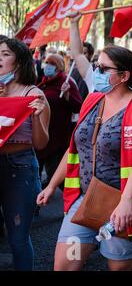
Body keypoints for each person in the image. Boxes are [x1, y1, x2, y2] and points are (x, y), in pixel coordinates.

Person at [36, 11, 132, 271]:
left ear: (124, 76)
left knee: (118, 268)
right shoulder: (93, 99)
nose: (96, 71)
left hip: (120, 204)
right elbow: (74, 152)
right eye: (97, 66)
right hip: (83, 200)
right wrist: (72, 22)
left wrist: (126, 201)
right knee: (64, 266)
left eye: (104, 69)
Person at [0, 38, 50, 270]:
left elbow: (40, 144)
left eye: (4, 54)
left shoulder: (35, 94)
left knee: (18, 239)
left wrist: (38, 116)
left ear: (19, 61)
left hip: (20, 168)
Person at [37, 53, 82, 189]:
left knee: (56, 176)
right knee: (35, 175)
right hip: (41, 134)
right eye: (46, 62)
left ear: (58, 67)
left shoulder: (66, 82)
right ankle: (34, 206)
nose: (46, 66)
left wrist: (67, 95)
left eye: (51, 63)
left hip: (57, 137)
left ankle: (74, 204)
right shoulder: (44, 82)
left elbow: (78, 107)